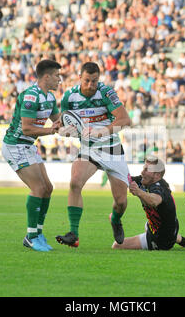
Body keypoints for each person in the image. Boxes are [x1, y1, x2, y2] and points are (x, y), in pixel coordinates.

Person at [56, 62, 132, 248]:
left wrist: (102, 131)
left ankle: (115, 219)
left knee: (121, 202)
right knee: (75, 182)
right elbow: (63, 124)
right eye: (87, 81)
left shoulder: (106, 93)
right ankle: (74, 234)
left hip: (112, 148)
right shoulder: (69, 96)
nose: (90, 85)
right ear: (80, 78)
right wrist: (64, 131)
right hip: (88, 149)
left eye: (94, 81)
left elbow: (125, 120)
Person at [1, 59, 62, 252]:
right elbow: (27, 128)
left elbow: (58, 121)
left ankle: (38, 233)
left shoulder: (50, 98)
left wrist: (76, 124)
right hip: (15, 145)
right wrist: (51, 130)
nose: (59, 80)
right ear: (46, 76)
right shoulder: (30, 96)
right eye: (56, 76)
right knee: (38, 187)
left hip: (28, 146)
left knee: (48, 188)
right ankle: (31, 236)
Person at [113, 155, 185, 251]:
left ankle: (167, 241)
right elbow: (124, 178)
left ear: (157, 175)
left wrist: (138, 192)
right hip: (169, 227)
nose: (142, 172)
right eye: (143, 168)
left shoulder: (160, 187)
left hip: (160, 239)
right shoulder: (144, 180)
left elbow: (154, 201)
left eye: (147, 169)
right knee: (149, 225)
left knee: (116, 245)